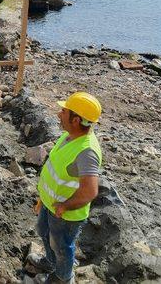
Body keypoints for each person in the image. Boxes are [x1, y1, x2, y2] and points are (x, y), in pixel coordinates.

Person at [28, 92, 103, 284]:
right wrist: (42, 199)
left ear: (76, 120)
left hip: (65, 215)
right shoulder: (69, 136)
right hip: (50, 204)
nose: (59, 114)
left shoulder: (86, 152)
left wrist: (65, 206)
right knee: (43, 232)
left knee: (61, 247)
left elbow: (90, 191)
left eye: (64, 111)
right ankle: (49, 262)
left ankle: (62, 278)